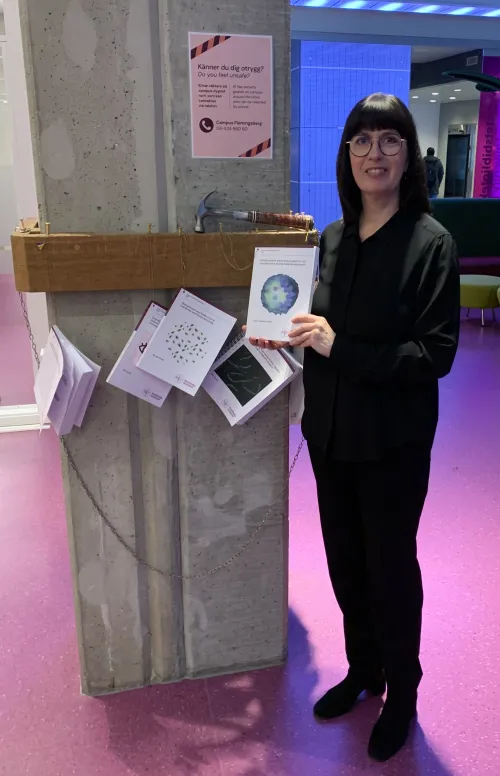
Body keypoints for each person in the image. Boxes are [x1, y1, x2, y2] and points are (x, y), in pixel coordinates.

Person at [248, 93, 460, 762]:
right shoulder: (332, 240)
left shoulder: (431, 244)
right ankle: (363, 669)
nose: (375, 154)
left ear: (408, 155)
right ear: (347, 154)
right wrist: (291, 335)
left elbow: (435, 354)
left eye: (390, 141)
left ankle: (403, 693)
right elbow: (314, 326)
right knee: (345, 565)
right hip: (331, 437)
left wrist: (339, 347)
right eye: (362, 141)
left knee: (390, 569)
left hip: (393, 443)